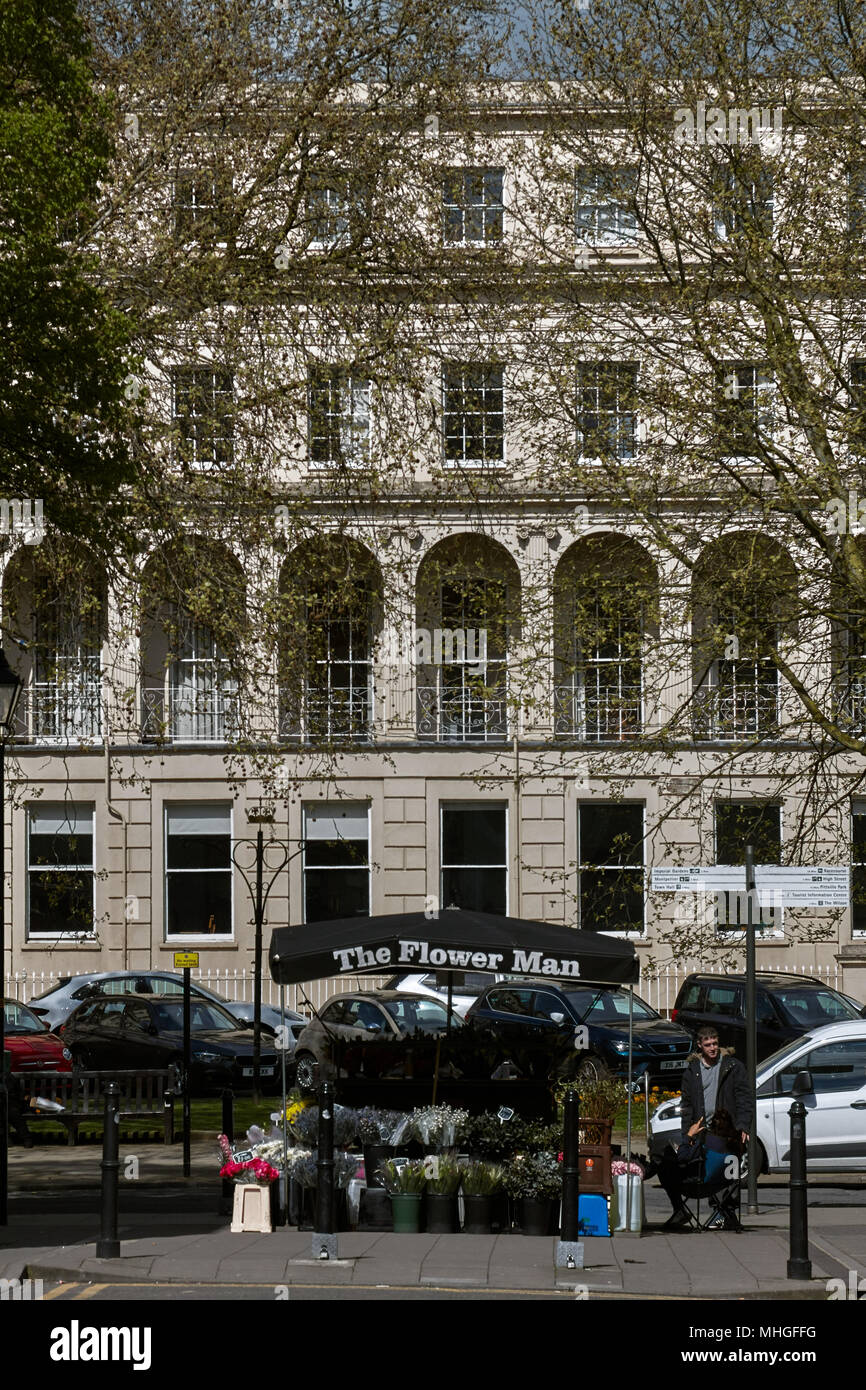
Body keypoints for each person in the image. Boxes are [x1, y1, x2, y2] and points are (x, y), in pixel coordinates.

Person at [651, 1108, 743, 1229]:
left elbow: (683, 1158)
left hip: (697, 1187)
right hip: (721, 1186)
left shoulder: (707, 1142)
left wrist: (689, 1135)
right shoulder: (736, 1146)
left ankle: (679, 1210)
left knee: (662, 1165)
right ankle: (726, 1215)